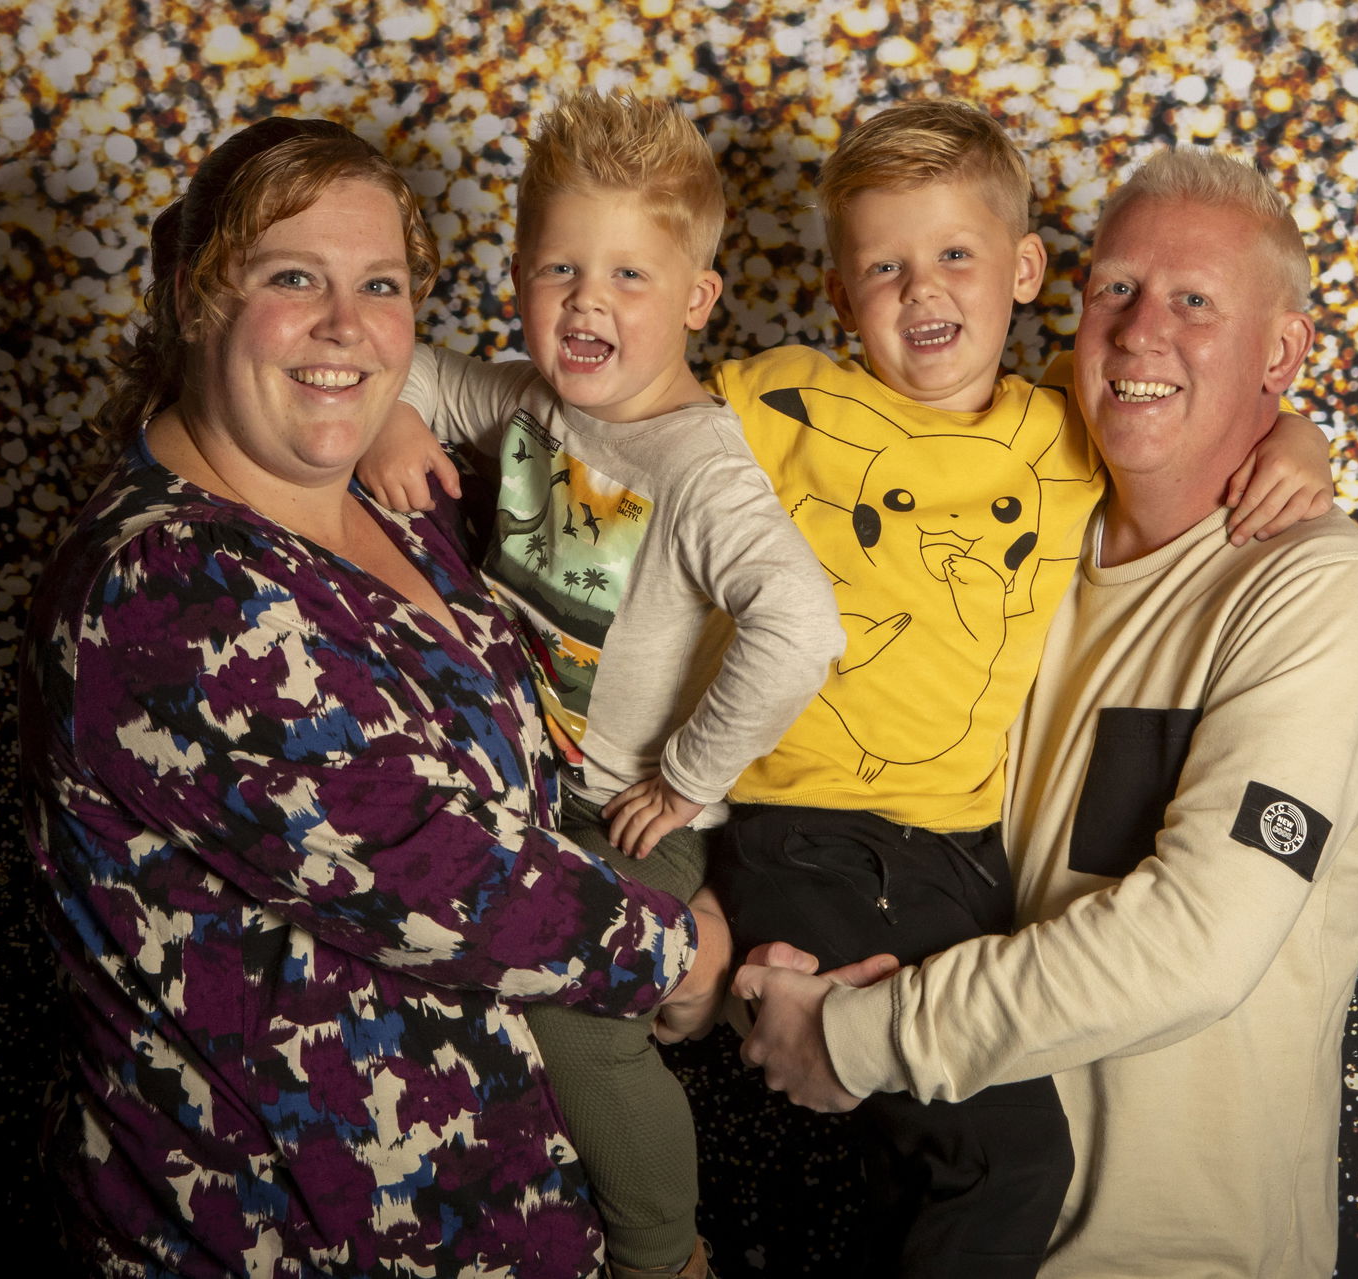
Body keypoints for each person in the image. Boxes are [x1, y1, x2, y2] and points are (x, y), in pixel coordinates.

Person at [364, 100, 1335, 1277]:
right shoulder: (776, 405)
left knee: (934, 1160)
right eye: (884, 267)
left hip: (955, 856)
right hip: (812, 834)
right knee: (1009, 1161)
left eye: (956, 259)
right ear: (838, 295)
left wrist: (1295, 440)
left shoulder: (1065, 432)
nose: (922, 292)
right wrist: (403, 411)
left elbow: (1178, 406)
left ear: (1026, 270)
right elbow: (627, 403)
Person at [18, 116, 731, 1279]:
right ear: (198, 299)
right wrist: (680, 949)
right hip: (293, 1237)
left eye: (382, 285)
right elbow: (441, 871)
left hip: (521, 1217)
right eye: (294, 277)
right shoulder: (168, 587)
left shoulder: (400, 499)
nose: (347, 325)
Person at [734, 146, 1358, 1279]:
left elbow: (1198, 943)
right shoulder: (1022, 540)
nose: (1143, 329)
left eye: (1196, 302)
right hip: (932, 1224)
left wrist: (862, 1037)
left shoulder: (1317, 596)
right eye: (1116, 289)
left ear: (1286, 351)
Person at [359, 91, 843, 1279]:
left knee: (574, 1017)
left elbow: (803, 624)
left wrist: (684, 782)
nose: (587, 301)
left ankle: (662, 1254)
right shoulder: (528, 402)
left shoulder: (699, 466)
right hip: (515, 800)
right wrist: (392, 424)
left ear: (694, 301)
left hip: (623, 813)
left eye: (631, 276)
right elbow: (402, 367)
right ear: (519, 276)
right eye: (560, 268)